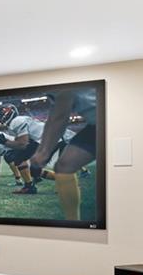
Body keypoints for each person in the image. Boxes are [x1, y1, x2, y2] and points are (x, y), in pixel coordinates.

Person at [31, 88, 97, 220]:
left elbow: (59, 116)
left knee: (65, 164)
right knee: (64, 165)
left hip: (109, 119)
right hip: (97, 122)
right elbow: (54, 116)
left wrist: (43, 152)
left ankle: (73, 222)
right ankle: (73, 223)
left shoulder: (57, 79)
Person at [0, 104, 45, 195]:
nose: (0, 118)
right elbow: (19, 141)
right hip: (42, 138)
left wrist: (5, 142)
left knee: (18, 158)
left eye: (1, 115)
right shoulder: (18, 120)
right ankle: (31, 184)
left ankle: (29, 186)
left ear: (7, 113)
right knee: (31, 167)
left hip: (42, 139)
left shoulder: (16, 121)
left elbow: (22, 144)